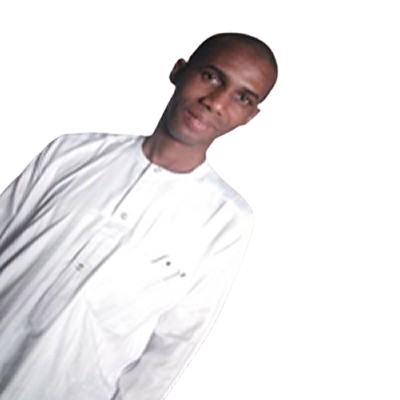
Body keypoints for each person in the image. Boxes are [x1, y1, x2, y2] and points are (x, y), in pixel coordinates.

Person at [0, 32, 278, 399]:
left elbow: (171, 350)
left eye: (242, 97)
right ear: (179, 70)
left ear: (250, 117)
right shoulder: (71, 152)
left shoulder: (227, 221)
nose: (215, 102)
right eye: (211, 77)